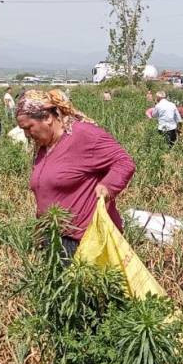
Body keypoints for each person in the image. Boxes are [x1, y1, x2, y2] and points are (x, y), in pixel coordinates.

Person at [16, 89, 135, 262]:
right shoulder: (43, 147)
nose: (26, 134)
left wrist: (107, 186)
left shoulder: (83, 135)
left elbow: (124, 162)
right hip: (53, 236)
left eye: (28, 127)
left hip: (83, 241)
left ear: (48, 118)